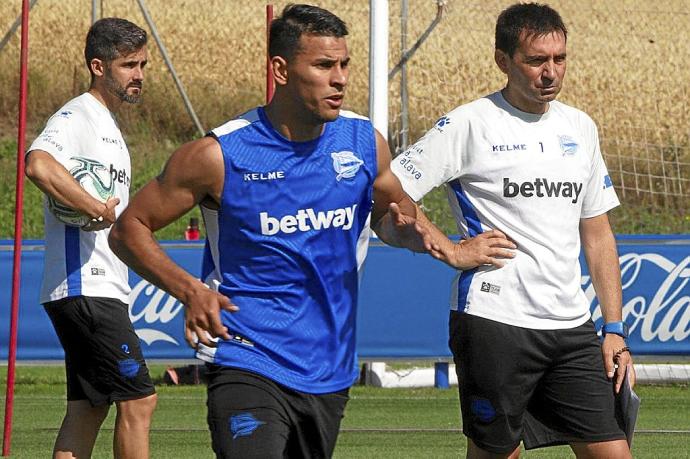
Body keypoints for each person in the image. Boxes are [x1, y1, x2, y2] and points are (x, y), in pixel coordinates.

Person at [108, 4, 448, 458]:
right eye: (324, 65)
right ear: (281, 69)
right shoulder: (219, 154)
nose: (341, 78)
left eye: (344, 64)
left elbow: (391, 214)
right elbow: (129, 228)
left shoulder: (365, 142)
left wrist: (416, 234)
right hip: (245, 356)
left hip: (330, 366)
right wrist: (191, 291)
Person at [391, 3, 635, 458]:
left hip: (572, 327)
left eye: (559, 59)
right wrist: (448, 248)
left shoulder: (580, 127)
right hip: (495, 322)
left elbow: (598, 234)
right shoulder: (468, 123)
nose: (551, 72)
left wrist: (615, 327)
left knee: (614, 452)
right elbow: (388, 195)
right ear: (503, 61)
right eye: (536, 60)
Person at [25, 18, 156, 459]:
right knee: (139, 400)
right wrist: (91, 204)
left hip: (93, 288)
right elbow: (38, 164)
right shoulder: (77, 114)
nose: (138, 74)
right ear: (99, 66)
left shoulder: (109, 127)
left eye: (142, 64)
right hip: (86, 285)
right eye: (128, 65)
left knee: (88, 409)